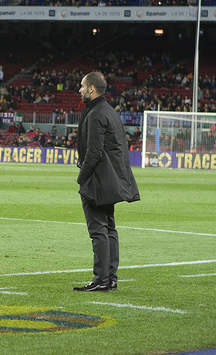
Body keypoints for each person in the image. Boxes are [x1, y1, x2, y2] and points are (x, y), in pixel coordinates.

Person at [73, 72, 140, 292]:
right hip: (112, 179)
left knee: (99, 230)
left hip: (99, 180)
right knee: (109, 228)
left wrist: (81, 178)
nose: (80, 90)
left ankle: (101, 279)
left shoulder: (95, 114)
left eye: (82, 86)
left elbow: (93, 152)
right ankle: (110, 278)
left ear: (92, 88)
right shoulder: (110, 112)